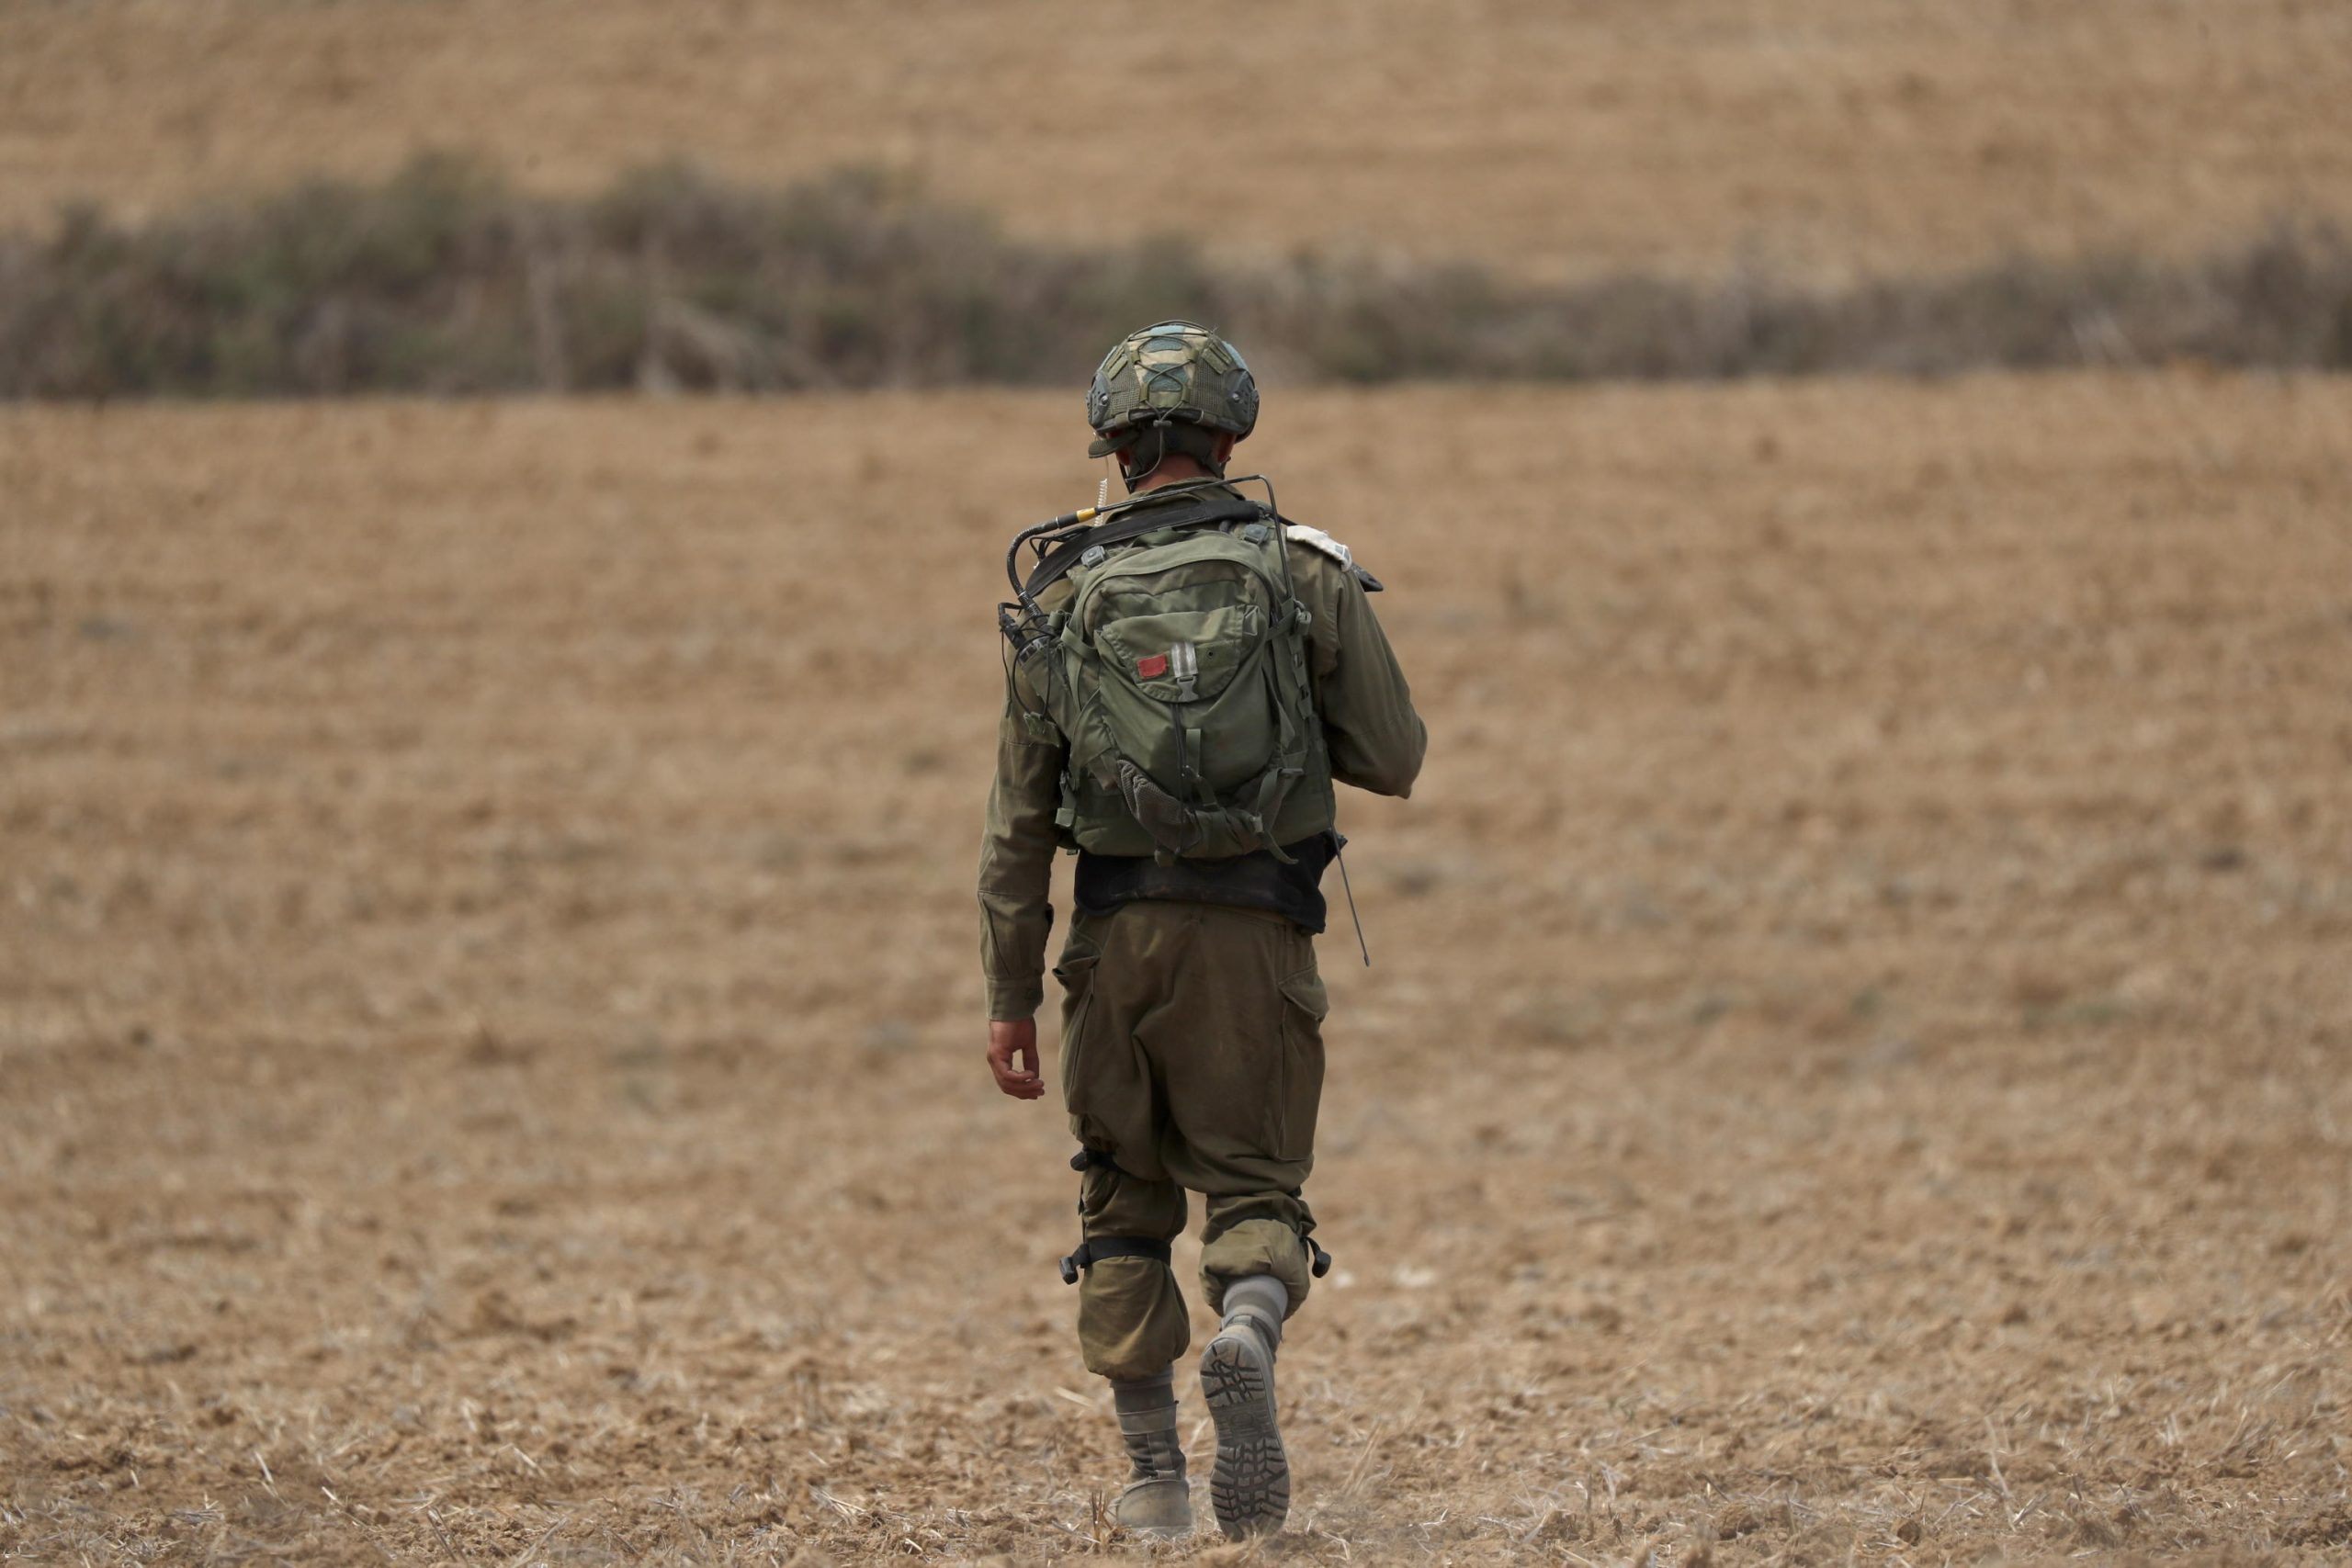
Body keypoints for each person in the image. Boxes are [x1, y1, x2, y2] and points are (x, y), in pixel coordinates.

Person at [978, 321, 1426, 1540]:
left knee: (1122, 1194)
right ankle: (1247, 1326)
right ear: (1232, 436)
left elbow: (1018, 830)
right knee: (1255, 1185)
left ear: (1114, 447)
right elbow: (1395, 757)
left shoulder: (1061, 594)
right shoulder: (1303, 571)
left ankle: (1152, 1484)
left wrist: (1010, 1000)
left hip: (1115, 946)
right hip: (1257, 936)